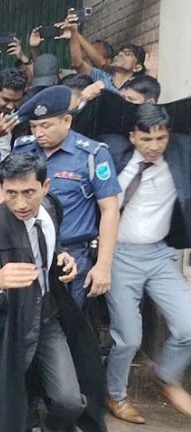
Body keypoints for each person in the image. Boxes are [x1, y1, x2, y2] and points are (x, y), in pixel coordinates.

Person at [0, 152, 106, 432]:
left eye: (29, 192)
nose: (20, 204)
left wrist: (61, 256)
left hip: (48, 320)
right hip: (11, 330)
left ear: (45, 187)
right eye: (11, 193)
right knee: (12, 407)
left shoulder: (51, 208)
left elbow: (51, 243)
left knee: (70, 401)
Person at [103, 104, 191, 422]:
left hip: (159, 255)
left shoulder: (181, 154)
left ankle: (166, 377)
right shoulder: (114, 154)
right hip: (119, 255)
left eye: (161, 138)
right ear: (132, 137)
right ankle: (115, 394)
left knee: (188, 326)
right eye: (146, 139)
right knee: (128, 338)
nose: (154, 146)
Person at [11, 85, 120, 309]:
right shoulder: (22, 150)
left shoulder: (92, 155)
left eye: (45, 126)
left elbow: (109, 210)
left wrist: (103, 266)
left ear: (67, 121)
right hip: (26, 250)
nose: (38, 133)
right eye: (33, 127)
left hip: (72, 254)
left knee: (68, 321)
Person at [66, 10, 146, 92]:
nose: (120, 54)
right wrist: (74, 31)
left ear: (137, 68)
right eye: (119, 53)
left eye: (128, 54)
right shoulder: (102, 77)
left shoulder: (138, 88)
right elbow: (78, 64)